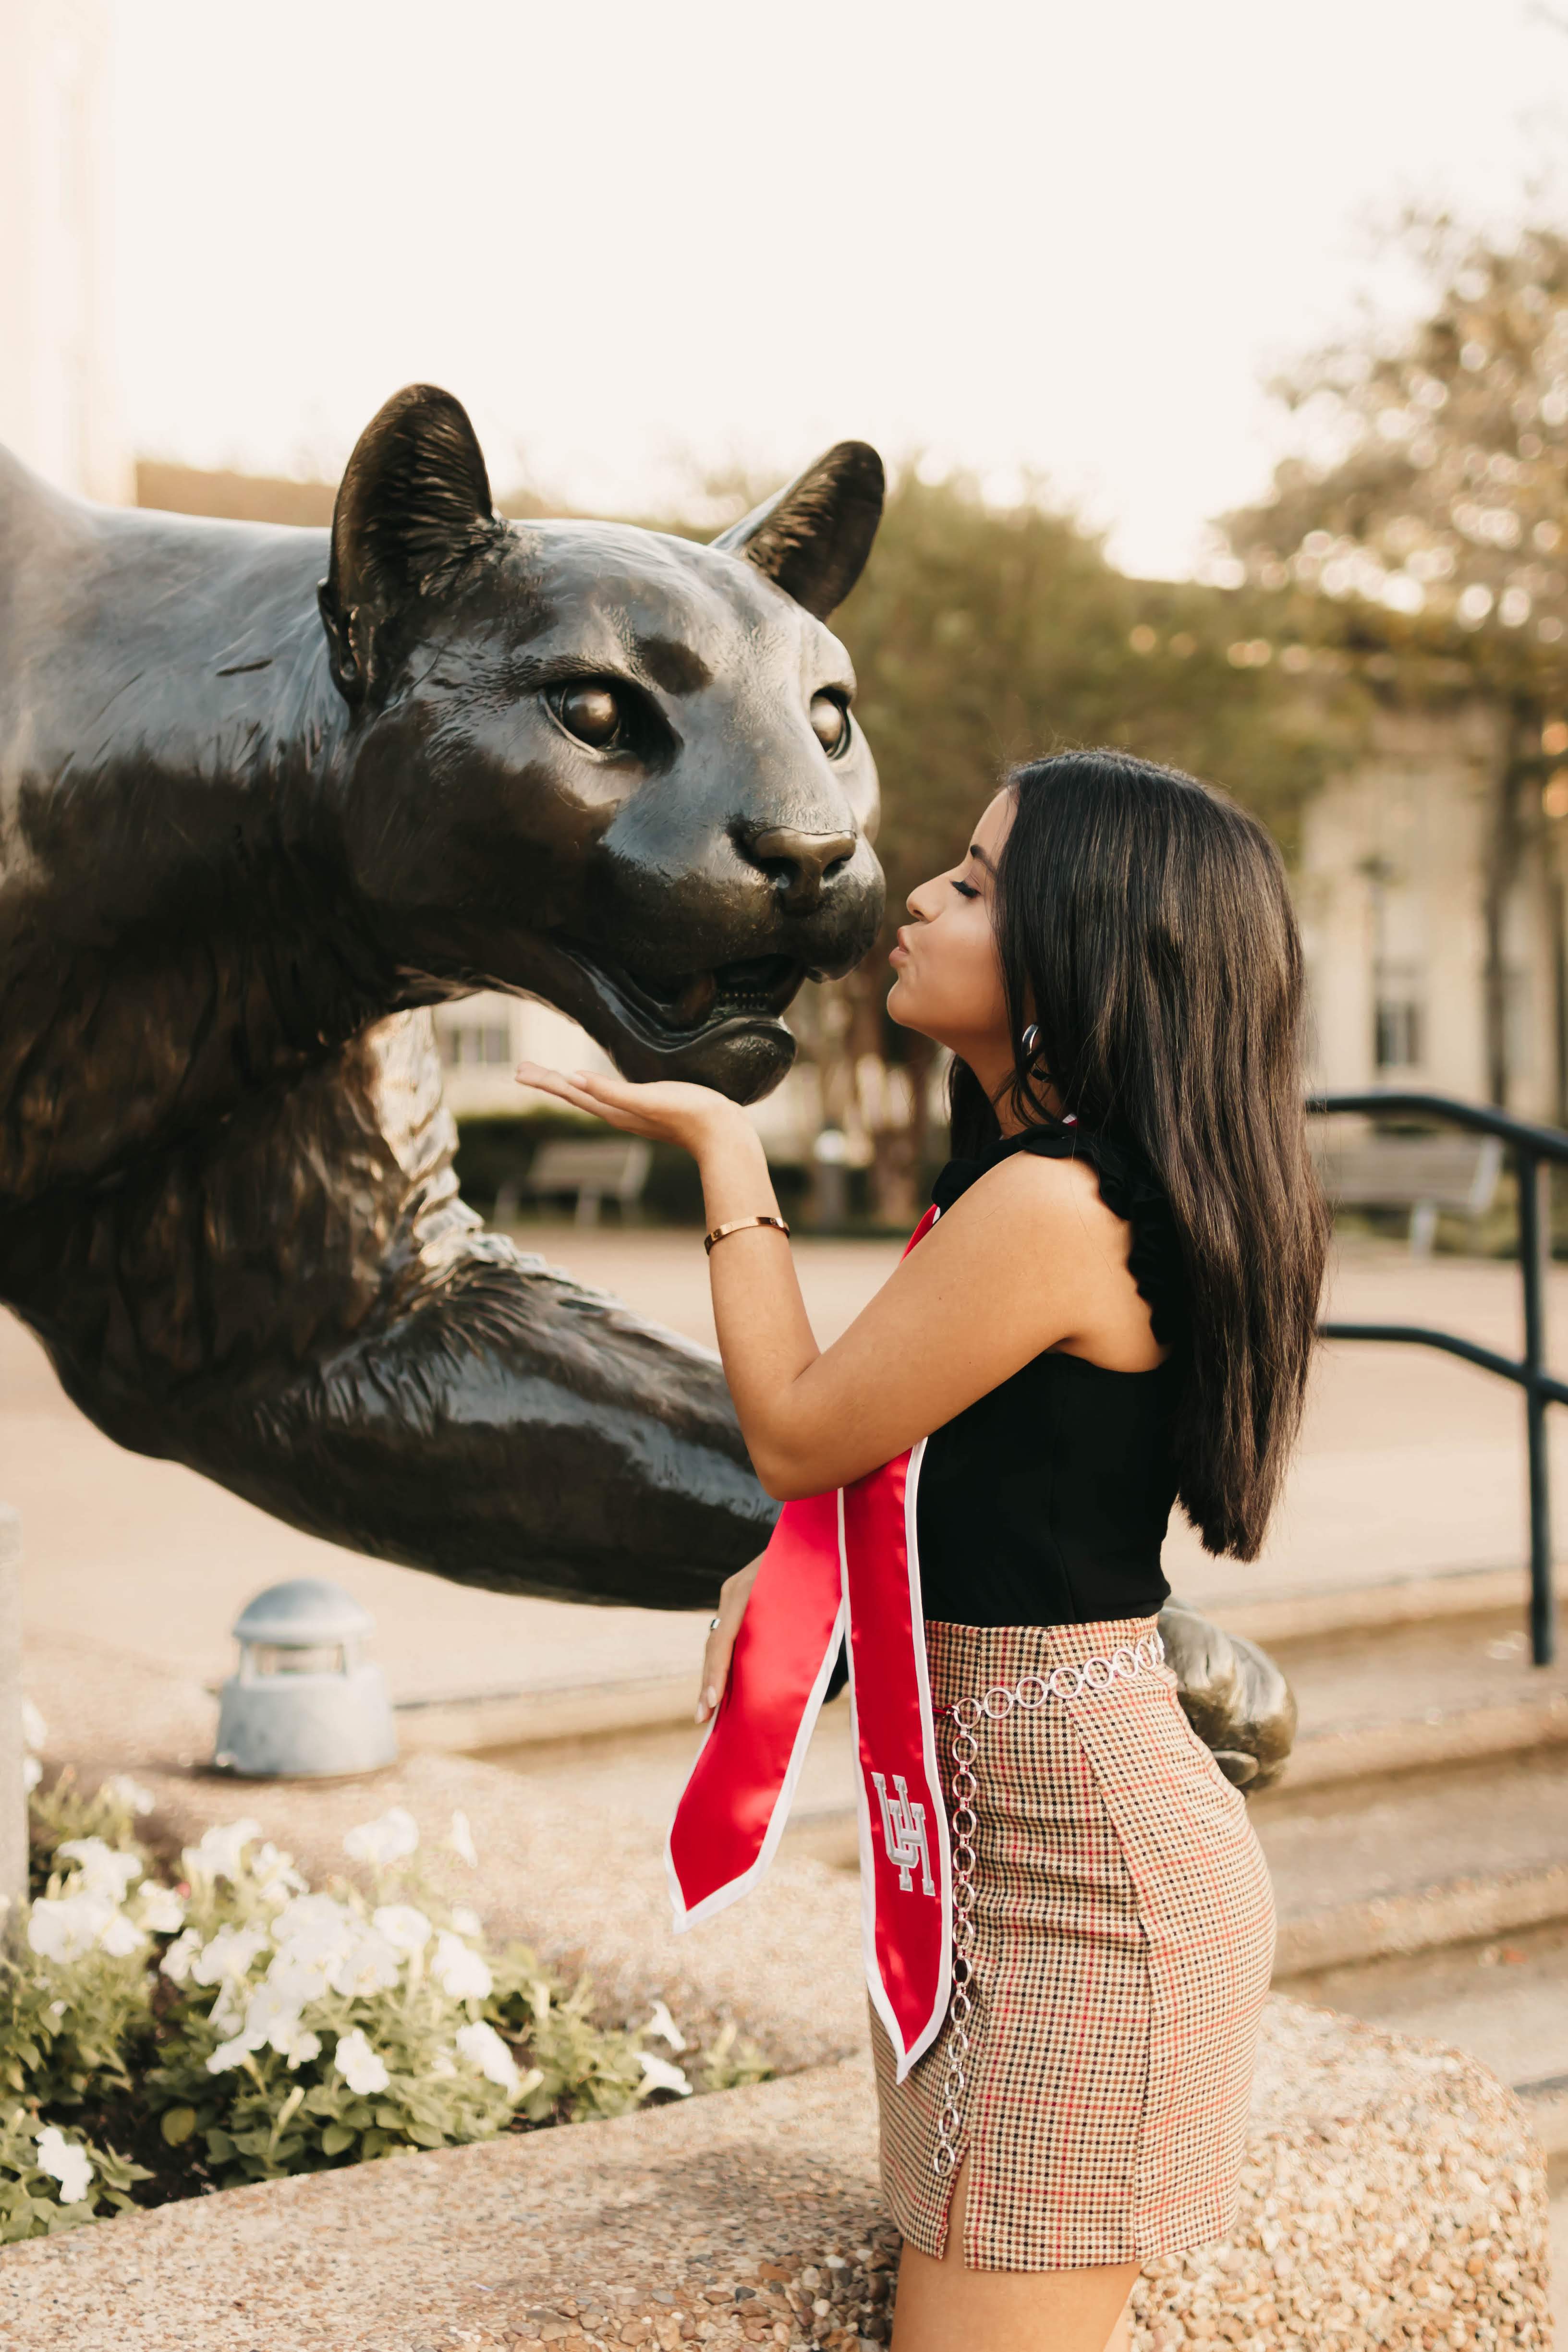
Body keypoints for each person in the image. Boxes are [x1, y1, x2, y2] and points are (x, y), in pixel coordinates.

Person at [515, 748, 1327, 2352]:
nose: (922, 899)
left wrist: (725, 1153)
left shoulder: (1056, 1201)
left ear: (1080, 950)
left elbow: (807, 1429)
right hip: (1018, 1868)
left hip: (1080, 1897)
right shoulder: (1068, 1189)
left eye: (971, 881)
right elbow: (910, 1477)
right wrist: (789, 1578)